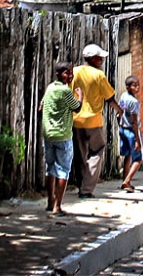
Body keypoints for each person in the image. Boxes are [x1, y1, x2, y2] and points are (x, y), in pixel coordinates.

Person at [71, 43, 123, 198]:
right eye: (99, 58)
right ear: (93, 59)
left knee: (80, 154)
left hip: (76, 120)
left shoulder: (74, 72)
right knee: (97, 151)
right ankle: (86, 189)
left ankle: (82, 185)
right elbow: (109, 98)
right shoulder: (99, 75)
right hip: (93, 121)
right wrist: (119, 110)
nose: (101, 60)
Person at [41, 63, 83, 215]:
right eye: (67, 73)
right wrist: (80, 96)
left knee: (50, 168)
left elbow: (41, 107)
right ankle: (57, 206)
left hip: (48, 134)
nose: (70, 75)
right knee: (63, 170)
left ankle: (50, 201)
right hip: (63, 136)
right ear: (58, 74)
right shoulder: (65, 91)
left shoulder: (50, 88)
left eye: (71, 73)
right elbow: (77, 108)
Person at [118, 76, 143, 193]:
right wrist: (137, 140)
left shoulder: (123, 96)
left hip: (123, 129)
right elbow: (134, 121)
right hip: (131, 131)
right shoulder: (134, 102)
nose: (137, 88)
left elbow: (119, 112)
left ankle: (125, 180)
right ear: (128, 87)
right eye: (134, 85)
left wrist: (120, 123)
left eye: (138, 85)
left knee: (128, 155)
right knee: (138, 159)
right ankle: (127, 181)